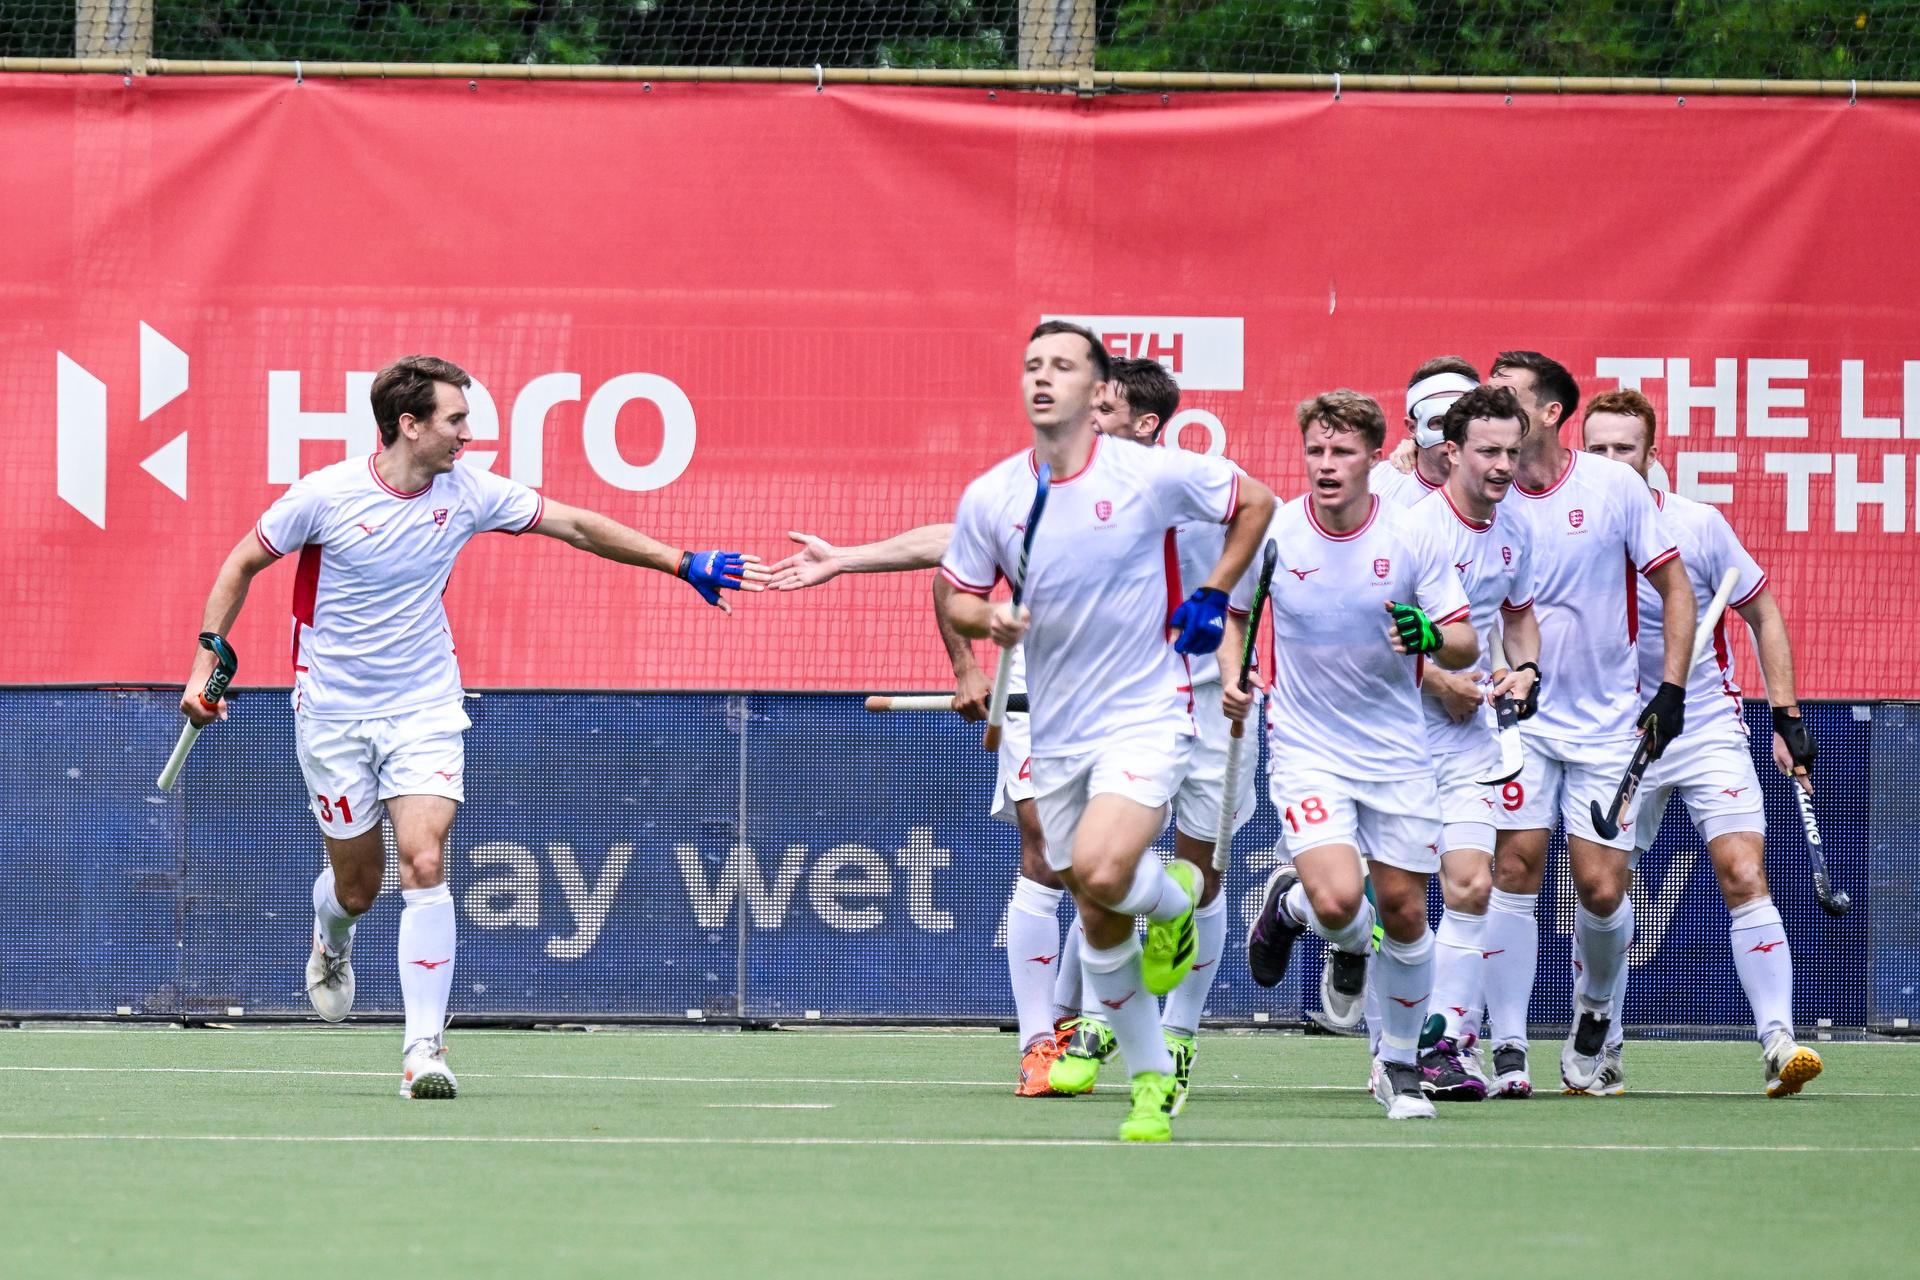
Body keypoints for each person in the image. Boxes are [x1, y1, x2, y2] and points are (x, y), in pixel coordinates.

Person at [176, 355, 764, 1098]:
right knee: (361, 888)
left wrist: (682, 562)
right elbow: (239, 567)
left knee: (424, 862)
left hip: (424, 707)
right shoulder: (324, 496)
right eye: (455, 420)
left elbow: (577, 526)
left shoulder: (470, 492)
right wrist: (205, 666)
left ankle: (423, 1049)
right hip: (331, 715)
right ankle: (332, 932)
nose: (468, 434)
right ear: (409, 425)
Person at [941, 321, 1275, 1141]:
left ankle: (1174, 910)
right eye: (1031, 366)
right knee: (1095, 908)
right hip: (1056, 728)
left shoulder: (1153, 475)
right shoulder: (993, 494)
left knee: (1097, 866)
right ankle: (1151, 1077)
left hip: (1148, 711)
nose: (1042, 378)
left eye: (1062, 366)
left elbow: (1257, 504)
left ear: (1099, 392)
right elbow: (953, 591)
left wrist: (1213, 593)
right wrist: (990, 620)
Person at [1232, 390, 1478, 1120]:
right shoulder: (1275, 533)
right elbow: (1236, 613)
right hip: (1308, 747)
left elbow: (1464, 639)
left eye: (1342, 452)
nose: (1327, 465)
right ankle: (1315, 912)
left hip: (1399, 752)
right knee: (1346, 899)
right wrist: (1232, 672)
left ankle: (1398, 1066)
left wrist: (1430, 636)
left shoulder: (1411, 537)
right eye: (1316, 451)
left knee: (1402, 911)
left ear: (1375, 457)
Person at [1582, 388, 1824, 1097]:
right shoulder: (1559, 525)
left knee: (1743, 870)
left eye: (1623, 448)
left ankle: (1779, 1042)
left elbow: (1761, 611)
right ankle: (1603, 1045)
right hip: (1607, 730)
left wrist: (1788, 718)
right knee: (1601, 889)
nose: (1610, 461)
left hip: (1701, 719)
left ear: (1652, 455)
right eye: (1595, 449)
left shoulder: (1698, 524)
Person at [1045, 357, 1260, 1115]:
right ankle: (1103, 1025)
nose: (1088, 420)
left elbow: (1234, 606)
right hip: (1127, 705)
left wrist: (1234, 677)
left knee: (1202, 870)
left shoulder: (1205, 487)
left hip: (1211, 701)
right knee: (1105, 864)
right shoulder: (1071, 486)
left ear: (1146, 425)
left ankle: (1179, 1033)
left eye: (1104, 411)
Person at [1479, 351, 1695, 1098]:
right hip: (1517, 720)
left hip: (1606, 724)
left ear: (1547, 413)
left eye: (1507, 392)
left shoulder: (1613, 489)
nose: (1490, 397)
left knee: (1602, 890)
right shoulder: (1481, 485)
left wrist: (1669, 690)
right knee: (1514, 870)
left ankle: (1596, 1010)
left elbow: (1675, 588)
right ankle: (1506, 1047)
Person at [1395, 384, 1541, 1099]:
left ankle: (1442, 1044)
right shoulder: (1412, 531)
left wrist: (1525, 670)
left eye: (1513, 451)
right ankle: (1299, 905)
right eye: (1489, 451)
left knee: (1471, 886)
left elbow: (1516, 622)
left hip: (1468, 743)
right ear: (1451, 452)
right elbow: (1369, 636)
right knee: (1385, 906)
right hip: (1391, 735)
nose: (1504, 465)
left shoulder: (1517, 530)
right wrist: (1434, 677)